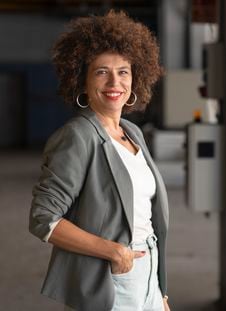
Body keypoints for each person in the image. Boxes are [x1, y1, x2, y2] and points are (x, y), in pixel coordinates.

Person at [29, 10, 170, 311]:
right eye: (101, 71)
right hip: (113, 277)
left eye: (123, 71)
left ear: (135, 78)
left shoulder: (131, 132)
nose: (114, 82)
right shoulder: (77, 136)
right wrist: (115, 253)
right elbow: (44, 219)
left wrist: (160, 290)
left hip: (149, 273)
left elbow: (145, 214)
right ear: (82, 80)